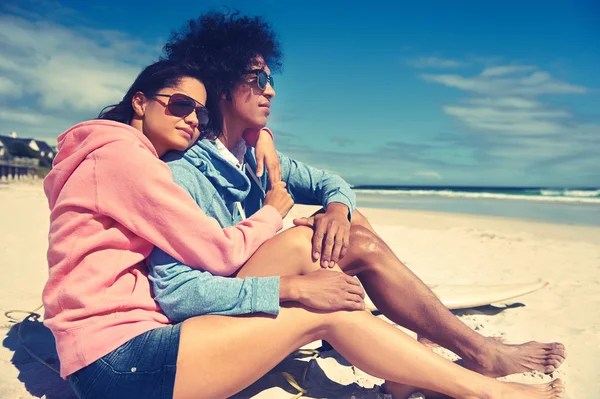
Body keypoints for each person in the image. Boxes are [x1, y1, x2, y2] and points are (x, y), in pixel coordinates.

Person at [144, 11, 565, 399]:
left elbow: (334, 183)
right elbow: (175, 294)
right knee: (346, 242)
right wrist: (293, 285)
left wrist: (338, 210)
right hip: (215, 320)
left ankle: (415, 360)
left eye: (270, 77)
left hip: (248, 287)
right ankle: (477, 354)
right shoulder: (184, 171)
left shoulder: (254, 156)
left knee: (348, 221)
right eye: (257, 78)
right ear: (220, 85)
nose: (270, 89)